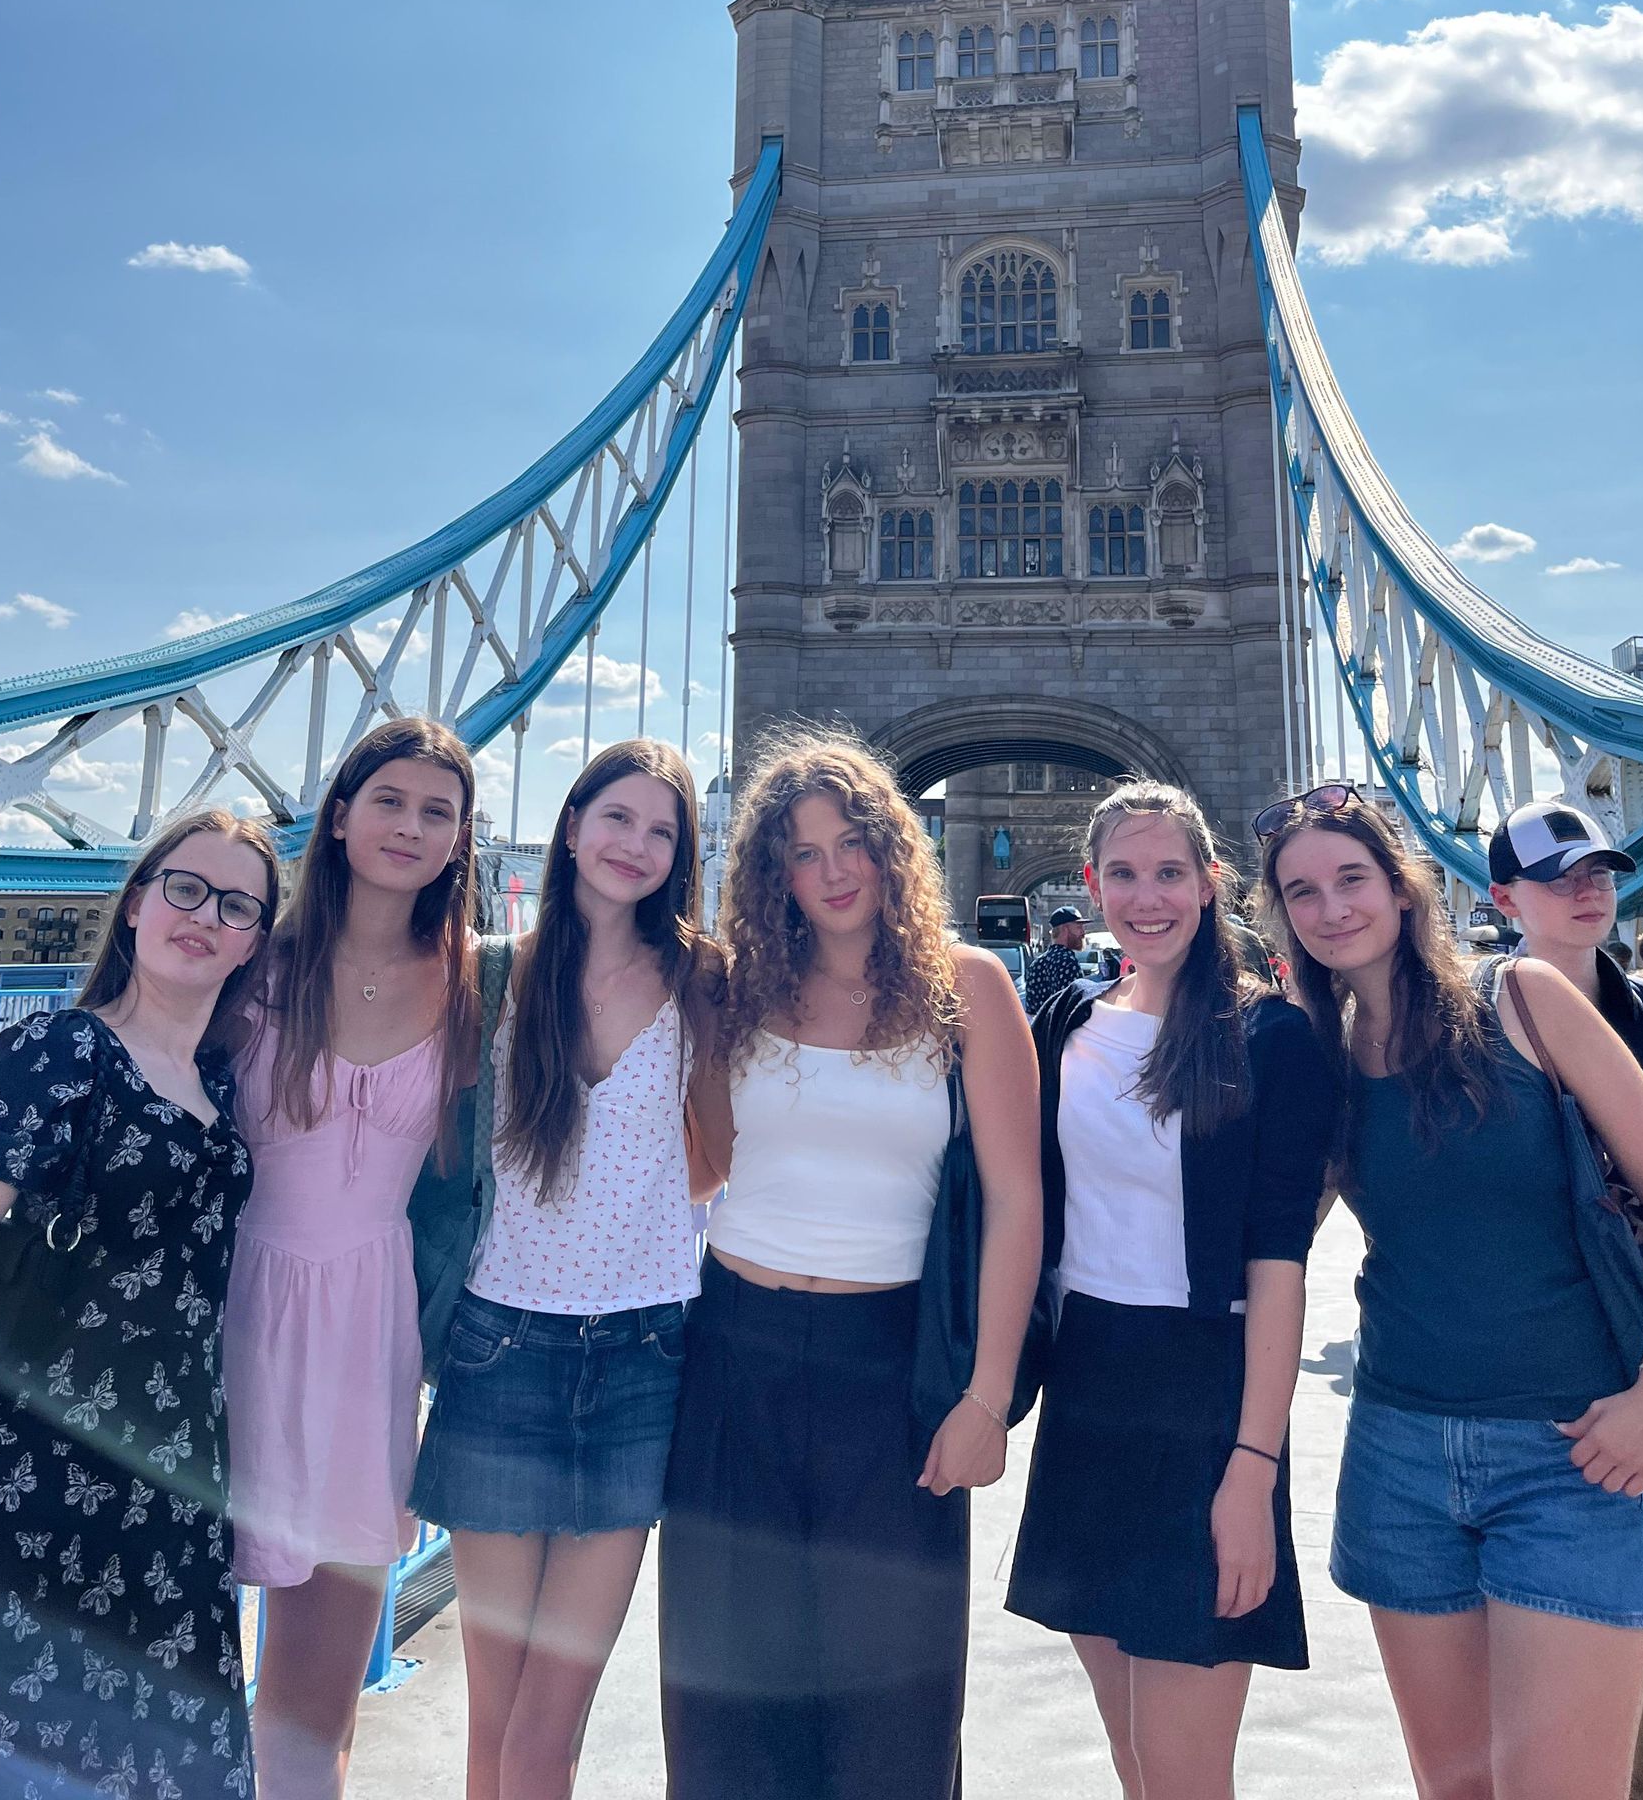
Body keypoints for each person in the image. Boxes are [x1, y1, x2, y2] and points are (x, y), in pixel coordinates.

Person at [1261, 785, 1643, 1800]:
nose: (1333, 908)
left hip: (1570, 1457)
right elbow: (1272, 1244)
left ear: (1401, 885)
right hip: (1399, 1461)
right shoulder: (1321, 1055)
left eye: (1352, 879)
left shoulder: (1523, 999)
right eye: (1303, 892)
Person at [0, 807, 276, 1800]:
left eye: (236, 903)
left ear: (255, 940)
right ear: (135, 903)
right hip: (24, 1504)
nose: (203, 914)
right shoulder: (59, 1057)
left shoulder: (224, 1087)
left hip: (172, 1512)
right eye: (183, 886)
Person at [661, 732, 1041, 1800]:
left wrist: (987, 1398)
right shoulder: (733, 989)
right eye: (800, 851)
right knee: (728, 1692)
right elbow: (696, 1169)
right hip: (734, 1353)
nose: (831, 871)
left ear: (893, 847)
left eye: (851, 843)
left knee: (895, 1706)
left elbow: (1018, 1204)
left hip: (896, 1368)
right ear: (770, 873)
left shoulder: (967, 988)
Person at [1007, 780, 1336, 1800]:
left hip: (1207, 1403)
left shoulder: (1271, 1038)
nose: (1145, 896)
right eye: (1121, 873)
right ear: (1092, 883)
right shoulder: (1065, 1021)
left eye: (1168, 872)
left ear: (1208, 882)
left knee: (1189, 1774)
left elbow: (1279, 1268)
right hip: (1089, 1393)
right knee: (1137, 1762)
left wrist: (1252, 1469)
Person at [410, 739, 716, 1800]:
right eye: (616, 817)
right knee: (496, 1719)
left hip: (644, 1359)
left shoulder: (706, 983)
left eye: (660, 829)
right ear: (573, 824)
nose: (635, 843)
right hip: (499, 1354)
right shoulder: (490, 973)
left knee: (548, 1724)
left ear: (681, 854)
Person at [224, 717, 478, 1800]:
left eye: (437, 810)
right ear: (337, 814)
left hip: (368, 1344)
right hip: (220, 1327)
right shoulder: (246, 963)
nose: (409, 827)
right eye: (388, 800)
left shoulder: (478, 986)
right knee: (147, 1665)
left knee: (312, 1700)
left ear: (461, 839)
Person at [1484, 806, 1643, 1800]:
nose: (1589, 888)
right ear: (1505, 901)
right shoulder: (1469, 1031)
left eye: (1601, 870)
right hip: (1555, 1393)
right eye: (1558, 875)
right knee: (1576, 1654)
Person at [1024, 904, 1089, 1016]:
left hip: (1040, 1031)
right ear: (1065, 929)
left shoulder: (1036, 963)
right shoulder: (1068, 962)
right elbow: (1074, 1008)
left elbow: (1031, 1009)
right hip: (1063, 1032)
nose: (1083, 933)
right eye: (1078, 927)